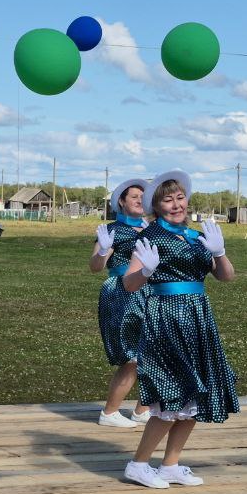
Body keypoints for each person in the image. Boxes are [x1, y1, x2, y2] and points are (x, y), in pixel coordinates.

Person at [120, 169, 238, 489]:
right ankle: (138, 464)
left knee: (196, 392)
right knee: (170, 394)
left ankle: (170, 464)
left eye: (180, 198)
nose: (176, 205)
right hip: (167, 319)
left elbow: (226, 277)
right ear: (156, 207)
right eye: (168, 200)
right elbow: (129, 284)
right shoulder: (150, 237)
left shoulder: (197, 237)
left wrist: (219, 253)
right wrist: (145, 271)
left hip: (198, 319)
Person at [89, 178, 152, 428]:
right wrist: (103, 250)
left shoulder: (152, 228)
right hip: (123, 293)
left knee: (154, 353)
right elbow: (95, 266)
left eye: (143, 197)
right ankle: (110, 412)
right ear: (121, 202)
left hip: (152, 291)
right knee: (132, 355)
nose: (139, 200)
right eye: (134, 196)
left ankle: (142, 410)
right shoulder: (112, 230)